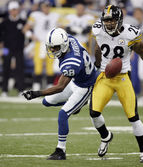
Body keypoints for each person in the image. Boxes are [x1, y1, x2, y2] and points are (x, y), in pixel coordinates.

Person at [22, 28, 99, 160]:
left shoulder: (72, 61)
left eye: (56, 48)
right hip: (76, 80)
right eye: (51, 47)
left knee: (62, 115)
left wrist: (36, 93)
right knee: (46, 102)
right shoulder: (68, 39)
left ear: (63, 45)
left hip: (85, 86)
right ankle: (77, 104)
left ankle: (60, 150)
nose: (52, 51)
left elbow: (60, 87)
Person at [90, 5, 143, 163]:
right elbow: (98, 47)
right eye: (106, 20)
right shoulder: (98, 30)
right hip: (105, 76)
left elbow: (140, 50)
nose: (109, 24)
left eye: (112, 20)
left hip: (123, 77)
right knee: (94, 113)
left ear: (119, 20)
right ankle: (106, 136)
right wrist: (97, 65)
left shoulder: (131, 33)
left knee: (133, 116)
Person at [23, 0, 61, 90]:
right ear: (41, 7)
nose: (46, 8)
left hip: (51, 44)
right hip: (39, 43)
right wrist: (31, 36)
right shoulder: (35, 15)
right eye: (44, 6)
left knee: (50, 67)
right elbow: (25, 29)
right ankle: (36, 88)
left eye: (48, 6)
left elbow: (62, 28)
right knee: (38, 67)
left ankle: (50, 88)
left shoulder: (55, 16)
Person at [0, 1, 26, 97]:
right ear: (9, 11)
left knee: (20, 69)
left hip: (19, 49)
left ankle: (21, 90)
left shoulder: (23, 22)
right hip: (7, 49)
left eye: (15, 10)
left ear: (18, 10)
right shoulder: (5, 22)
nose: (13, 12)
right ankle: (4, 90)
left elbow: (27, 34)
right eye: (12, 10)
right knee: (6, 69)